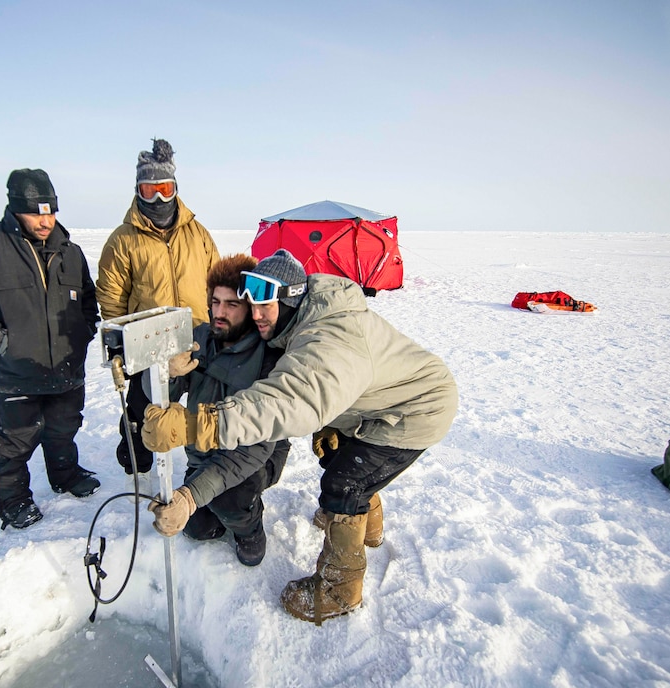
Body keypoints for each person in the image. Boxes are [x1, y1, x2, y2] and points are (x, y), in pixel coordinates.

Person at [141, 249, 458, 623]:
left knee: (343, 485)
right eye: (225, 303)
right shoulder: (294, 322)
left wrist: (196, 425)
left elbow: (286, 402)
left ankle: (339, 590)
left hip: (416, 410)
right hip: (372, 404)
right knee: (338, 453)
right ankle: (365, 526)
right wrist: (165, 372)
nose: (255, 314)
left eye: (264, 305)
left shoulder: (329, 335)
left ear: (291, 299)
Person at [0, 169, 101, 531]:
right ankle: (12, 500)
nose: (45, 221)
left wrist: (83, 333)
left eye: (51, 212)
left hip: (66, 367)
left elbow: (88, 302)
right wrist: (3, 343)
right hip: (17, 372)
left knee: (64, 428)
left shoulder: (70, 252)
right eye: (35, 213)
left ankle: (65, 474)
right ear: (15, 210)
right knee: (15, 442)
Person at [145, 254, 291, 566]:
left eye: (232, 304)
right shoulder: (199, 339)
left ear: (251, 309)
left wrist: (190, 496)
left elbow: (254, 448)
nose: (219, 313)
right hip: (203, 449)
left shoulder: (268, 357)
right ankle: (223, 508)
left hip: (256, 455)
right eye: (215, 302)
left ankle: (250, 527)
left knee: (231, 498)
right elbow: (157, 400)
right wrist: (167, 374)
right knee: (198, 528)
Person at [96, 138, 220, 475]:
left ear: (176, 188)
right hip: (149, 341)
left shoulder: (199, 234)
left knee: (203, 405)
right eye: (149, 191)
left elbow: (217, 283)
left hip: (197, 336)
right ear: (137, 191)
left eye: (164, 188)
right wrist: (124, 343)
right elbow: (111, 297)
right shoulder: (123, 239)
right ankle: (138, 459)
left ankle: (207, 466)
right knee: (143, 407)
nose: (158, 198)